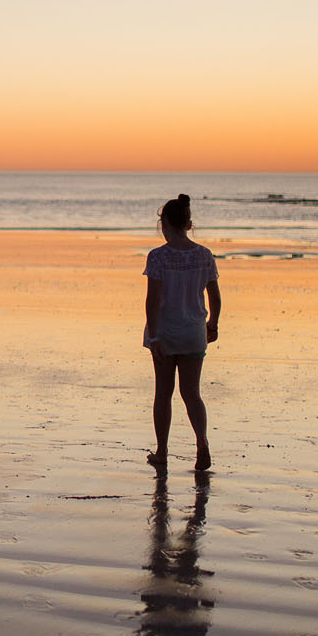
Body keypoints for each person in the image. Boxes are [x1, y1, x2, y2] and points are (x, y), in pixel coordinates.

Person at [143, 193, 221, 471]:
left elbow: (152, 301)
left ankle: (162, 451)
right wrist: (213, 325)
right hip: (193, 332)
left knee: (163, 393)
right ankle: (202, 443)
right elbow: (215, 296)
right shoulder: (204, 255)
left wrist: (153, 336)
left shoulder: (158, 257)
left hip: (165, 332)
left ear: (165, 224)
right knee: (192, 393)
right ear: (189, 224)